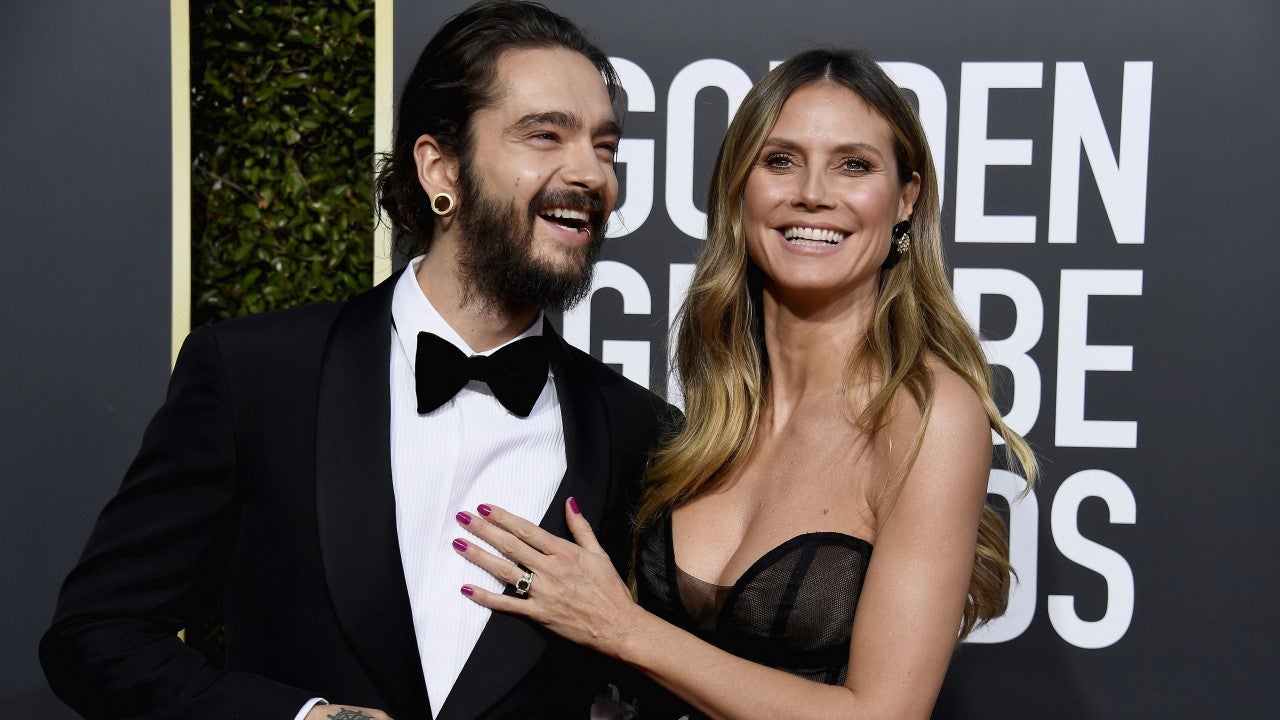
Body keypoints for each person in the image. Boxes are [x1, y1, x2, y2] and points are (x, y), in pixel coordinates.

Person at [40, 2, 675, 719]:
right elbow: (96, 635)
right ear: (441, 167)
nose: (591, 173)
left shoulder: (641, 434)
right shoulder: (256, 375)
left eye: (605, 147)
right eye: (545, 135)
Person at [451, 47, 1038, 719]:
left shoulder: (926, 414)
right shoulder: (707, 413)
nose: (813, 192)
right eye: (780, 160)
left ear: (905, 199)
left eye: (853, 165)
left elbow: (884, 714)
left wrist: (622, 628)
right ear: (739, 188)